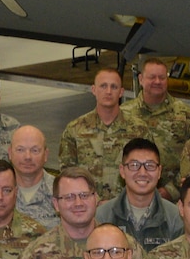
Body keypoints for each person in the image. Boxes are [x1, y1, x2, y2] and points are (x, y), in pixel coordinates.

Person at [55, 67, 142, 196]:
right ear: (94, 90)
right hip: (86, 208)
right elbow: (68, 176)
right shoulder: (75, 130)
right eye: (103, 86)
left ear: (121, 92)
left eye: (114, 87)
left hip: (126, 209)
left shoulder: (139, 130)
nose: (108, 91)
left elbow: (145, 173)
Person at [96, 137, 185, 252]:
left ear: (159, 172)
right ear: (122, 171)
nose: (142, 173)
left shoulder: (175, 218)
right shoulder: (102, 216)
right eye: (134, 165)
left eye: (150, 165)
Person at [123, 57, 190, 175]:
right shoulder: (124, 113)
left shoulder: (185, 114)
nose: (157, 81)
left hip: (175, 190)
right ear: (141, 79)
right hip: (134, 186)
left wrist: (171, 190)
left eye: (162, 77)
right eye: (152, 77)